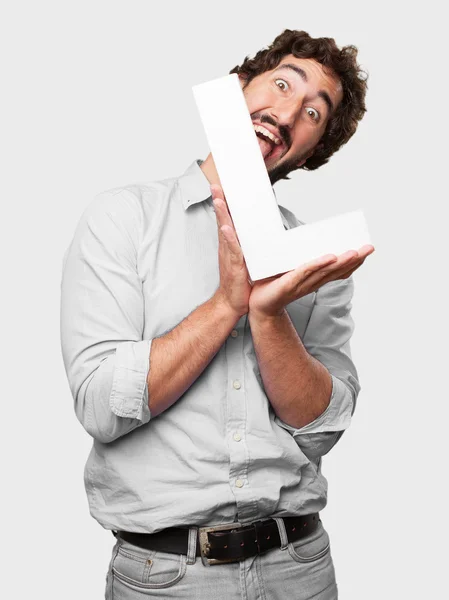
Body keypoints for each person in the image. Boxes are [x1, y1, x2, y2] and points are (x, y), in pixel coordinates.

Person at [60, 28, 375, 599]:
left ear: (312, 151)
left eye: (312, 113)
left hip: (298, 567)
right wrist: (228, 304)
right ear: (237, 89)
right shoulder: (122, 219)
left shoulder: (314, 260)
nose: (286, 113)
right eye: (281, 83)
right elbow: (100, 406)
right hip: (165, 577)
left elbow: (321, 429)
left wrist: (269, 312)